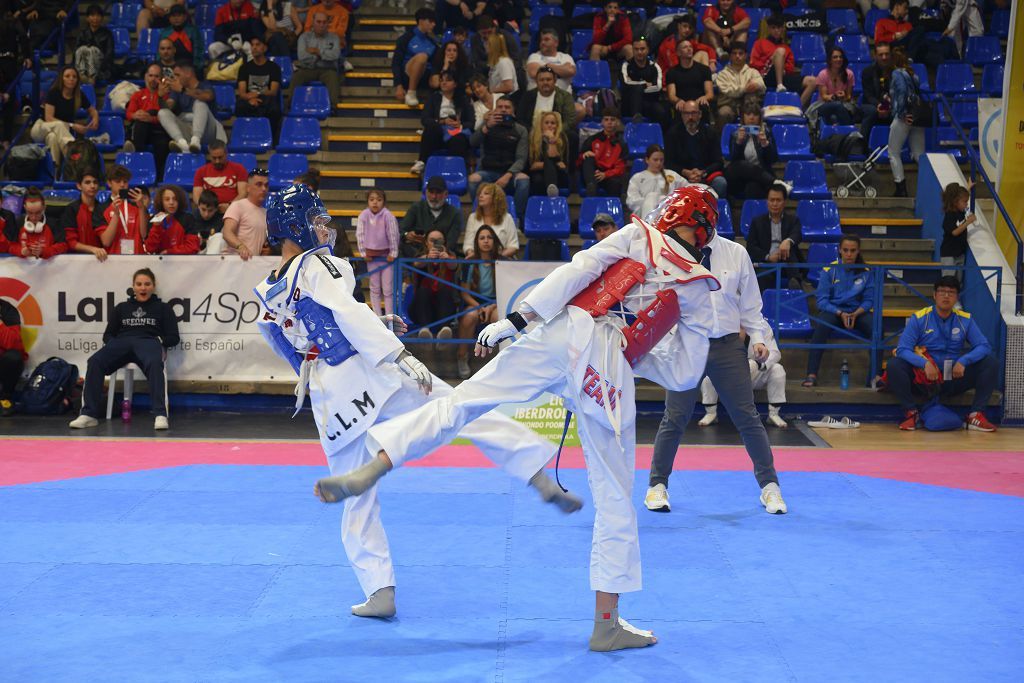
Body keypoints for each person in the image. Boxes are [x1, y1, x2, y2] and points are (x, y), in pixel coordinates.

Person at [318, 185, 721, 652]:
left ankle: (373, 467)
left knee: (464, 401)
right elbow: (685, 373)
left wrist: (517, 320)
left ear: (670, 213)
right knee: (613, 494)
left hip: (561, 330)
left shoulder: (635, 236)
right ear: (705, 228)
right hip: (607, 366)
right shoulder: (697, 286)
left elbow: (578, 270)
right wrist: (632, 352)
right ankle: (607, 623)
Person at [253, 185, 581, 619]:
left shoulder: (267, 290)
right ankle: (535, 470)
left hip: (331, 394)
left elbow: (290, 341)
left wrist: (376, 322)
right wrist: (398, 352)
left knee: (356, 498)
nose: (325, 230)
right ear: (295, 225)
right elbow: (347, 313)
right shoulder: (317, 264)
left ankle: (379, 590)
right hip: (375, 373)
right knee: (462, 407)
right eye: (317, 222)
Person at [646, 191, 788, 517]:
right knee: (675, 418)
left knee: (748, 418)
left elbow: (752, 308)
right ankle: (657, 484)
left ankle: (770, 487)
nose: (679, 231)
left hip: (726, 346)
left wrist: (759, 340)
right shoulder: (671, 253)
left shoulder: (736, 254)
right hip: (686, 345)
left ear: (705, 222)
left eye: (685, 225)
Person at [69, 268, 180, 431]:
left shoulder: (163, 308)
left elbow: (174, 337)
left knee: (155, 363)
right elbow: (108, 334)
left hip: (148, 342)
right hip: (122, 342)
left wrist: (159, 341)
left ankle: (160, 415)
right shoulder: (122, 307)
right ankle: (89, 414)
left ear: (154, 286)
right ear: (133, 287)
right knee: (95, 361)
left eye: (147, 284)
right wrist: (114, 345)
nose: (143, 288)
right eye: (139, 284)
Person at [888, 276, 999, 432]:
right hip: (924, 378)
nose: (946, 296)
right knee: (894, 365)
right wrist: (925, 364)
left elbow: (984, 346)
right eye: (942, 291)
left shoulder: (965, 320)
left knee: (990, 363)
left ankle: (975, 415)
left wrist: (964, 361)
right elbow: (902, 349)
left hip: (952, 377)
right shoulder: (919, 318)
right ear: (934, 295)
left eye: (951, 292)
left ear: (957, 297)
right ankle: (912, 413)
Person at [802, 234, 881, 388]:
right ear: (839, 250)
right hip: (834, 312)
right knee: (820, 327)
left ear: (858, 251)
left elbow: (869, 300)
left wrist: (856, 313)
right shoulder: (829, 270)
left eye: (853, 250)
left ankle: (874, 378)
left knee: (877, 329)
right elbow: (822, 301)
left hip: (858, 312)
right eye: (845, 250)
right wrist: (840, 313)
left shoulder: (866, 271)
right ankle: (811, 374)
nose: (849, 254)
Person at [700, 329, 787, 428]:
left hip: (755, 372)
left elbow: (775, 353)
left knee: (777, 370)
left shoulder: (762, 325)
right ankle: (710, 413)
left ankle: (774, 414)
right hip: (726, 371)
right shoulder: (722, 323)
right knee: (709, 374)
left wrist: (759, 364)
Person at [468, 96, 529, 222]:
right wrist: (486, 127)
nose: (503, 110)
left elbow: (521, 159)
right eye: (500, 107)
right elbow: (473, 142)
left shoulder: (521, 130)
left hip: (510, 173)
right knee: (473, 179)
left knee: (524, 180)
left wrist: (507, 175)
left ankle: (516, 219)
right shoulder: (487, 126)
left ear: (513, 111)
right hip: (488, 172)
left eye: (507, 107)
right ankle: (480, 215)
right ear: (495, 109)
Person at [456, 225, 504, 378]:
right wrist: (480, 307)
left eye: (489, 237)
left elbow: (505, 291)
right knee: (470, 316)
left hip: (496, 302)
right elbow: (464, 293)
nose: (486, 241)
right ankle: (462, 356)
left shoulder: (503, 262)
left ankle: (503, 361)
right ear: (476, 242)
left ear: (494, 241)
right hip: (473, 301)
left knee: (499, 318)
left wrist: (491, 307)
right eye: (482, 238)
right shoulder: (469, 263)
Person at [29, 66, 99, 167]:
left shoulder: (79, 95)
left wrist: (95, 118)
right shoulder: (54, 93)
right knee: (58, 124)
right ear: (62, 79)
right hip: (41, 128)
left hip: (56, 133)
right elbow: (49, 118)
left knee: (52, 138)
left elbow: (92, 110)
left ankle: (55, 172)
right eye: (67, 76)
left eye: (74, 77)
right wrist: (73, 126)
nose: (71, 79)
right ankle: (74, 153)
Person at [411, 69, 474, 174]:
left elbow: (471, 122)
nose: (443, 83)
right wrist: (442, 122)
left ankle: (456, 170)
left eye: (448, 80)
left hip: (455, 132)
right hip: (438, 131)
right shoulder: (433, 98)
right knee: (432, 127)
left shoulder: (464, 100)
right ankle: (422, 161)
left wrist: (460, 125)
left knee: (460, 138)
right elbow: (425, 119)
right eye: (442, 80)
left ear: (455, 84)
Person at [750, 14, 817, 106]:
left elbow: (790, 67)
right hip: (765, 76)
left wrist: (782, 68)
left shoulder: (786, 48)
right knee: (780, 52)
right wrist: (770, 62)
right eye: (773, 28)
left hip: (783, 75)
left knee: (812, 81)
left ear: (782, 29)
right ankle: (779, 85)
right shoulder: (759, 43)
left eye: (779, 28)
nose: (776, 31)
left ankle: (798, 108)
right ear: (769, 29)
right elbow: (753, 63)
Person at [664, 101, 727, 198]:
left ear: (700, 114)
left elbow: (718, 162)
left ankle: (714, 210)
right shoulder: (673, 134)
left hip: (705, 175)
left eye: (693, 113)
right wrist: (686, 172)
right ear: (682, 115)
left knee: (720, 183)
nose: (690, 117)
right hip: (681, 176)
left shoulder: (710, 133)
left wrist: (702, 172)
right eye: (687, 113)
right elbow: (668, 163)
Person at [746, 183, 802, 291]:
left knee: (791, 253)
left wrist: (788, 241)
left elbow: (798, 235)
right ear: (767, 202)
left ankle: (795, 287)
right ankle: (766, 305)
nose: (775, 204)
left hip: (787, 261)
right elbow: (751, 247)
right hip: (766, 263)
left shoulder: (793, 220)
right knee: (763, 276)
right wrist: (768, 257)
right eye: (772, 200)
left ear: (784, 202)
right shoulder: (757, 222)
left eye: (778, 200)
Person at [888, 47, 926, 198]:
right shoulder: (913, 75)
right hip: (917, 117)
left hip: (904, 117)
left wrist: (901, 113)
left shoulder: (897, 73)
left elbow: (902, 92)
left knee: (893, 152)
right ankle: (929, 183)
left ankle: (901, 188)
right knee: (919, 155)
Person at [160, 63, 223, 154]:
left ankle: (196, 140)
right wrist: (160, 97)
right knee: (163, 112)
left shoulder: (205, 85)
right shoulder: (176, 89)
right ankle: (182, 143)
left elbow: (208, 96)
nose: (175, 78)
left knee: (199, 102)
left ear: (188, 74)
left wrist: (183, 90)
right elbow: (169, 105)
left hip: (207, 131)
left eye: (178, 75)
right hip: (187, 128)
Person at [356, 188, 400, 316]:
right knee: (374, 288)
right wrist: (363, 253)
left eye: (379, 200)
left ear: (384, 202)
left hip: (386, 257)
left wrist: (393, 253)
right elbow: (360, 235)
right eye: (372, 200)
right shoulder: (363, 215)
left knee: (388, 289)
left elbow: (393, 234)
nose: (375, 203)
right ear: (368, 201)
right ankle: (377, 316)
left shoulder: (388, 215)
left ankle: (390, 316)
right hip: (371, 257)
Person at [124, 63, 172, 180]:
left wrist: (151, 118)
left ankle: (159, 178)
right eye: (151, 76)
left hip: (159, 130)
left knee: (152, 115)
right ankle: (138, 160)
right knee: (141, 121)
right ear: (146, 77)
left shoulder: (166, 96)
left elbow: (169, 118)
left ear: (161, 78)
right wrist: (136, 115)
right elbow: (129, 114)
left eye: (156, 76)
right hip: (142, 130)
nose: (153, 79)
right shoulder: (138, 95)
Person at [411, 228, 460, 338]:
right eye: (432, 240)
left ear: (445, 243)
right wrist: (428, 257)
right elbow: (416, 264)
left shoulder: (450, 255)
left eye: (439, 240)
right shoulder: (421, 255)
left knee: (445, 292)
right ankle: (424, 330)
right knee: (423, 291)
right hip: (422, 307)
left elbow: (454, 266)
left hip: (444, 307)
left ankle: (445, 329)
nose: (435, 243)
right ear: (426, 243)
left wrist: (447, 259)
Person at [235, 36, 283, 145]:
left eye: (258, 44)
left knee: (274, 109)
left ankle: (271, 141)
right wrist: (249, 98)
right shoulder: (244, 68)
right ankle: (243, 140)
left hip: (265, 99)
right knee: (240, 106)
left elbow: (273, 91)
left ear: (265, 48)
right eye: (252, 45)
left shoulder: (274, 67)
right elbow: (242, 92)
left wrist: (256, 95)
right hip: (249, 99)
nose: (254, 47)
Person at [724, 104, 778, 201]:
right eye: (748, 114)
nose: (752, 117)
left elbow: (773, 160)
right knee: (742, 164)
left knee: (752, 187)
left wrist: (765, 144)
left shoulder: (767, 132)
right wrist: (739, 143)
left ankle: (749, 215)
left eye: (755, 114)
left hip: (759, 178)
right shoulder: (735, 134)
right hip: (739, 177)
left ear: (760, 117)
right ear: (743, 117)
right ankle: (775, 183)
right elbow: (733, 161)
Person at [399, 176, 463, 257]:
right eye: (431, 192)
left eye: (438, 193)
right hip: (416, 254)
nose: (434, 197)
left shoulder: (455, 213)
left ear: (446, 194)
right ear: (426, 193)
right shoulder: (416, 208)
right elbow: (401, 230)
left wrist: (434, 252)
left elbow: (451, 242)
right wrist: (407, 235)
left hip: (442, 255)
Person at [291, 11, 341, 109]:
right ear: (313, 22)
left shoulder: (334, 38)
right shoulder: (304, 37)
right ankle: (291, 105)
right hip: (307, 68)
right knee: (297, 76)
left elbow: (335, 55)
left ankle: (333, 107)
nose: (321, 25)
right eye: (318, 22)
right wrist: (323, 55)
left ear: (328, 23)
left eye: (324, 22)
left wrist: (317, 52)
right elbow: (302, 56)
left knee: (333, 77)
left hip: (327, 69)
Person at [391, 8, 438, 107]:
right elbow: (396, 63)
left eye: (434, 22)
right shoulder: (406, 39)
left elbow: (436, 63)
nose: (433, 24)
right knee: (422, 57)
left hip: (425, 76)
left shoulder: (433, 42)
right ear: (421, 21)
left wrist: (435, 75)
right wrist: (398, 85)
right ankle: (411, 93)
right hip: (408, 75)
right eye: (430, 21)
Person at [58, 170, 109, 261]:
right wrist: (93, 249)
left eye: (95, 182)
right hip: (76, 260)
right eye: (87, 182)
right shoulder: (71, 209)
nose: (92, 186)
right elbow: (71, 243)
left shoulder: (104, 209)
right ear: (79, 186)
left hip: (101, 259)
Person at [101, 163, 150, 255]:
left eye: (125, 181)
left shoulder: (137, 206)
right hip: (113, 259)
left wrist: (141, 207)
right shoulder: (101, 208)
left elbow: (144, 234)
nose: (122, 185)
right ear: (109, 183)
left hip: (137, 257)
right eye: (118, 181)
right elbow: (106, 242)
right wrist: (116, 215)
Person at [579, 108, 628, 199]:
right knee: (588, 158)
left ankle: (613, 209)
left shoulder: (622, 145)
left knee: (616, 182)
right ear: (602, 122)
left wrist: (605, 174)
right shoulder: (592, 140)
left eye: (612, 120)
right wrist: (583, 155)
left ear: (618, 122)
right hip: (593, 175)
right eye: (606, 119)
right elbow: (579, 160)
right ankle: (591, 188)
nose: (609, 122)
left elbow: (620, 168)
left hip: (609, 176)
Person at [626, 144, 686, 218]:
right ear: (647, 160)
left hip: (669, 214)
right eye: (655, 160)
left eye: (661, 160)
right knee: (652, 196)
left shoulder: (672, 175)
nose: (659, 163)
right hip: (643, 215)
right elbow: (631, 201)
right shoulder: (637, 178)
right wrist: (652, 202)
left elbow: (687, 188)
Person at [221, 167, 270, 259]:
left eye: (266, 185)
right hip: (234, 261)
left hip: (252, 263)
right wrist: (241, 246)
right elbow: (227, 232)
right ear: (248, 188)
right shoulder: (237, 206)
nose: (264, 189)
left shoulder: (266, 213)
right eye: (259, 184)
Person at [713, 42, 765, 125]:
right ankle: (722, 138)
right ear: (730, 56)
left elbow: (762, 85)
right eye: (734, 53)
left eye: (740, 53)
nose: (737, 56)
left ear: (746, 55)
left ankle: (753, 136)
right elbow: (729, 91)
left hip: (748, 105)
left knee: (752, 104)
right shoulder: (722, 74)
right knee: (723, 113)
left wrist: (757, 85)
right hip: (729, 105)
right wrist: (745, 88)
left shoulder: (753, 72)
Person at [463, 182, 519, 258]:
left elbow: (513, 246)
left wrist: (495, 258)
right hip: (479, 262)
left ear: (495, 198)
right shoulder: (473, 217)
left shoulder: (507, 218)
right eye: (480, 193)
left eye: (486, 193)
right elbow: (468, 245)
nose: (481, 196)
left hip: (502, 261)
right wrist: (475, 256)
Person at [620, 37, 667, 127]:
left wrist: (636, 87)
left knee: (660, 111)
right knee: (636, 89)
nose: (639, 52)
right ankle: (636, 117)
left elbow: (658, 87)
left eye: (642, 49)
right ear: (633, 50)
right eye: (636, 49)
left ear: (648, 50)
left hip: (648, 102)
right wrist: (644, 84)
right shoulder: (626, 65)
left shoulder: (654, 66)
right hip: (629, 104)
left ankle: (659, 137)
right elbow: (625, 84)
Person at [516, 66, 576, 134]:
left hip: (557, 134)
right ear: (536, 81)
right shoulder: (528, 96)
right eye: (541, 80)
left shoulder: (565, 96)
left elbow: (570, 120)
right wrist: (534, 133)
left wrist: (555, 132)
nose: (545, 83)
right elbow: (520, 119)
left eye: (548, 79)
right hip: (531, 133)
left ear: (555, 80)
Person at [8, 188, 65, 259]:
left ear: (44, 207)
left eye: (38, 213)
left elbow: (63, 245)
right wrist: (21, 251)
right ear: (25, 208)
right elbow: (10, 245)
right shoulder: (18, 223)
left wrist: (44, 251)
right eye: (30, 213)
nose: (34, 217)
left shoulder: (54, 224)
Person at [192, 140, 248, 212]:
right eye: (214, 158)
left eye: (220, 157)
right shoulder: (201, 171)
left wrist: (230, 206)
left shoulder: (239, 169)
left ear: (226, 154)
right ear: (209, 155)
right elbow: (196, 196)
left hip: (233, 209)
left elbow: (243, 194)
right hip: (209, 211)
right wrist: (208, 208)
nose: (217, 161)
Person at [145, 184, 200, 254]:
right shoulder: (155, 219)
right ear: (161, 202)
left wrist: (169, 252)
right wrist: (156, 228)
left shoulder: (188, 219)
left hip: (183, 261)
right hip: (160, 262)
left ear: (179, 201)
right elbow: (150, 249)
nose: (171, 203)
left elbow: (193, 247)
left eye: (175, 199)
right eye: (167, 199)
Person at [665, 41, 713, 121]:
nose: (689, 49)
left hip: (698, 102)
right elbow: (671, 95)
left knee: (703, 106)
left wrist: (704, 98)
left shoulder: (704, 69)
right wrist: (678, 100)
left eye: (690, 47)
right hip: (682, 103)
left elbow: (710, 94)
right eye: (685, 47)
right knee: (677, 107)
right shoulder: (672, 72)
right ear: (678, 53)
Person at [527, 111, 571, 198]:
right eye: (546, 123)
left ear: (557, 126)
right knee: (538, 179)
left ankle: (552, 188)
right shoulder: (533, 138)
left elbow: (563, 165)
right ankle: (552, 191)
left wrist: (551, 139)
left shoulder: (562, 138)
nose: (550, 125)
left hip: (559, 173)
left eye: (553, 123)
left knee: (549, 163)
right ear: (541, 125)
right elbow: (532, 165)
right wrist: (553, 164)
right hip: (538, 173)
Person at [812, 48, 856, 126]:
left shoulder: (849, 74)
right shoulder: (822, 74)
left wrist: (844, 96)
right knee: (837, 105)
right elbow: (824, 96)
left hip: (843, 104)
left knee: (840, 109)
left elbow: (849, 96)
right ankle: (851, 131)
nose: (838, 59)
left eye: (840, 57)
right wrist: (835, 96)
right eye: (835, 57)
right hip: (824, 105)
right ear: (830, 60)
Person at [0, 291, 27, 417]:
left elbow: (12, 343)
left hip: (3, 363)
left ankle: (5, 397)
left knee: (14, 357)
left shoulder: (6, 309)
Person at [526, 28, 576, 93]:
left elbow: (571, 71)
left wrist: (547, 66)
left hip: (563, 99)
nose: (543, 42)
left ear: (556, 43)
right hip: (538, 98)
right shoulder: (534, 56)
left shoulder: (566, 57)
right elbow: (534, 72)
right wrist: (561, 70)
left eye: (546, 40)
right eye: (541, 40)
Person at [859, 42, 893, 139]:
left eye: (886, 54)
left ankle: (899, 147)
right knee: (872, 111)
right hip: (871, 104)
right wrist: (880, 106)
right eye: (881, 55)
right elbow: (868, 95)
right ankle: (861, 144)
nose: (884, 57)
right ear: (875, 56)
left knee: (901, 111)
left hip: (890, 104)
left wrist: (887, 106)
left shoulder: (896, 71)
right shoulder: (867, 71)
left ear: (891, 55)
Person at [74, 4, 115, 85]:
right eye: (92, 15)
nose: (95, 18)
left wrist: (103, 66)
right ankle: (82, 75)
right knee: (82, 49)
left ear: (102, 18)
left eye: (98, 15)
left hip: (101, 65)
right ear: (87, 18)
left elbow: (109, 54)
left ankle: (92, 76)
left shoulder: (107, 33)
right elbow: (76, 51)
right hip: (84, 65)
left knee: (92, 49)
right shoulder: (83, 33)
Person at [940, 182, 974, 276]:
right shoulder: (950, 215)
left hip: (959, 253)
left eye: (967, 201)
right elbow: (954, 232)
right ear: (955, 202)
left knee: (958, 281)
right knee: (948, 279)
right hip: (949, 253)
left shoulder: (961, 211)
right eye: (965, 202)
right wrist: (968, 222)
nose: (966, 205)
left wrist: (968, 188)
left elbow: (960, 198)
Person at [160, 4, 204, 69]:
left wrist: (196, 67)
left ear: (185, 17)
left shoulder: (193, 31)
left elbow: (198, 52)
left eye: (179, 15)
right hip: (169, 66)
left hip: (189, 66)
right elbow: (160, 53)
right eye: (173, 16)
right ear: (169, 18)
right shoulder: (165, 33)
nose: (176, 18)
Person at [484, 31, 518, 98]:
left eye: (487, 44)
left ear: (493, 46)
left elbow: (508, 86)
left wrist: (490, 91)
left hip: (508, 100)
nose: (485, 46)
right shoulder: (496, 63)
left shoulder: (503, 62)